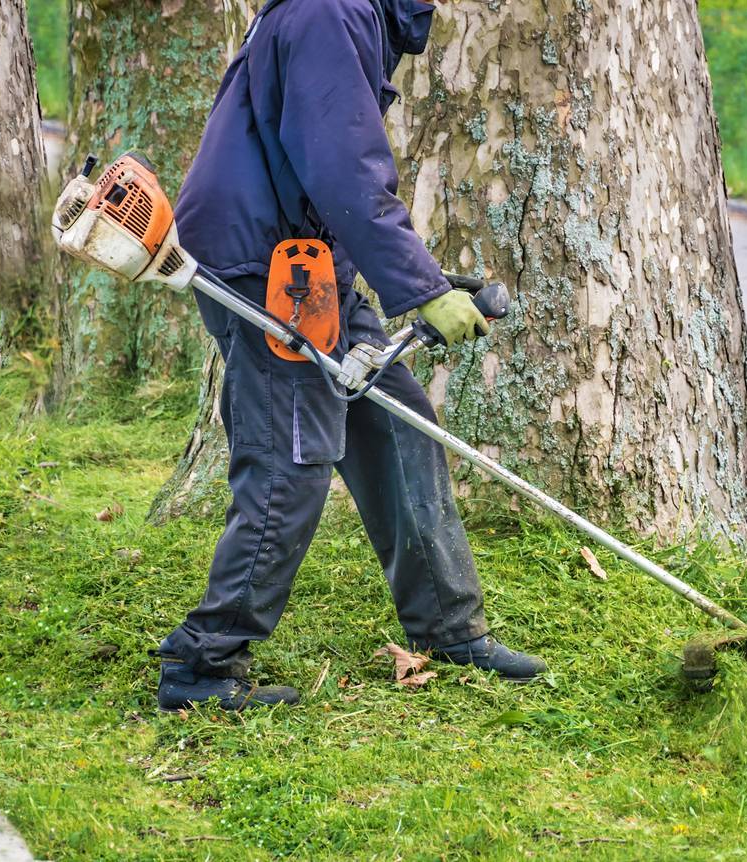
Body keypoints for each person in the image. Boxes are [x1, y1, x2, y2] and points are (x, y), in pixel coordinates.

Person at [153, 0, 546, 711]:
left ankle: (448, 629)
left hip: (304, 261)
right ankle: (200, 665)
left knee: (397, 419)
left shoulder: (350, 12)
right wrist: (421, 290)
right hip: (263, 264)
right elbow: (343, 167)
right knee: (290, 460)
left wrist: (414, 280)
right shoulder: (329, 10)